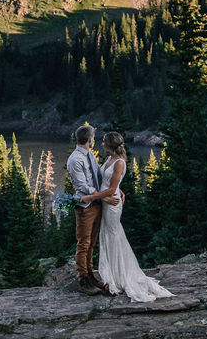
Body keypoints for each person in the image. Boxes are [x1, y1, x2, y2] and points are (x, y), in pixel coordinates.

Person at [80, 131, 174, 302]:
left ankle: (119, 276)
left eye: (103, 142)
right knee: (109, 236)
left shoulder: (119, 163)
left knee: (113, 236)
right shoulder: (109, 159)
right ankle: (112, 274)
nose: (101, 144)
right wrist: (117, 190)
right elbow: (110, 184)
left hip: (112, 204)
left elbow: (110, 188)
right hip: (107, 200)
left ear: (110, 145)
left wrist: (91, 197)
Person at [67, 124, 117, 295]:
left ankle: (90, 274)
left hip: (96, 204)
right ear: (89, 140)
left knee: (91, 243)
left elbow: (98, 176)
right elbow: (83, 186)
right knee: (83, 243)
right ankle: (82, 280)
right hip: (85, 206)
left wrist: (116, 189)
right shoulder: (75, 159)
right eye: (93, 138)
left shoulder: (89, 155)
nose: (93, 140)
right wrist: (104, 196)